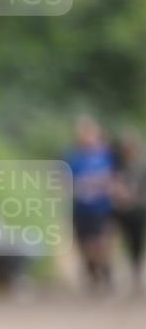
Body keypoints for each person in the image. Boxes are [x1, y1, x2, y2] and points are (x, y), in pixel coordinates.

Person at [65, 115, 116, 291]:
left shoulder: (106, 156)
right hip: (81, 208)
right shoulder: (74, 158)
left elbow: (112, 179)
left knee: (101, 243)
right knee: (85, 244)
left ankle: (106, 273)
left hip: (101, 208)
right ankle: (93, 274)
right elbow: (67, 181)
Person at [111, 128, 146, 290]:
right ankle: (110, 270)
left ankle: (135, 270)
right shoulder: (117, 165)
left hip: (137, 209)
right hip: (118, 209)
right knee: (113, 238)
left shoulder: (141, 167)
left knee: (135, 241)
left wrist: (133, 198)